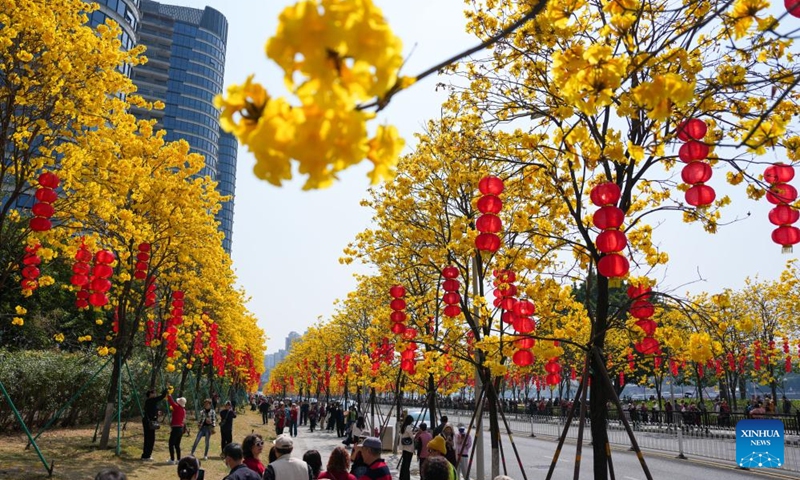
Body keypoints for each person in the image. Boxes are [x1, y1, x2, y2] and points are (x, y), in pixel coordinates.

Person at [141, 388, 167, 460]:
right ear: (150, 394)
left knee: (148, 438)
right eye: (154, 393)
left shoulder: (150, 402)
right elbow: (161, 397)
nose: (155, 394)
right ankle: (146, 456)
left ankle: (146, 455)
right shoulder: (150, 400)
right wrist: (165, 392)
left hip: (148, 421)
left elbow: (151, 410)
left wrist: (157, 412)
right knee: (150, 439)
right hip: (149, 422)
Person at [167, 395, 188, 464]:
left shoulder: (177, 407)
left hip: (176, 428)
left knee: (171, 444)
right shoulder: (184, 410)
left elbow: (171, 402)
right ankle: (179, 459)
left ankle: (172, 459)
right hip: (181, 428)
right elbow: (183, 420)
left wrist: (169, 395)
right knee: (177, 445)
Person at [399, 415, 415, 480]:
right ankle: (406, 478)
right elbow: (412, 437)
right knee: (407, 465)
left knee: (404, 464)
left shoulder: (403, 426)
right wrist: (415, 434)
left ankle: (402, 477)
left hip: (404, 448)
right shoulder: (408, 427)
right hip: (409, 448)